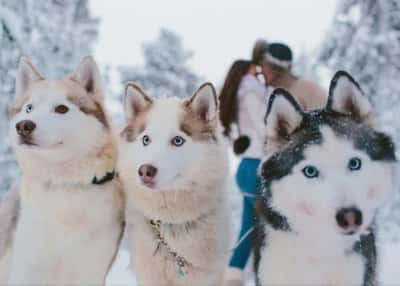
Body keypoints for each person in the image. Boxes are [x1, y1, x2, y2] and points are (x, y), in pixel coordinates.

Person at [219, 59, 269, 286]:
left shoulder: (240, 95)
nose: (258, 71)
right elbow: (264, 127)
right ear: (246, 71)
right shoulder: (250, 92)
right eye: (254, 68)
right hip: (257, 167)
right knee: (266, 229)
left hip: (248, 168)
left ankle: (233, 275)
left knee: (249, 228)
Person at [260, 42, 327, 110]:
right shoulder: (265, 94)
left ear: (275, 68)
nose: (261, 71)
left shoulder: (310, 91)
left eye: (263, 65)